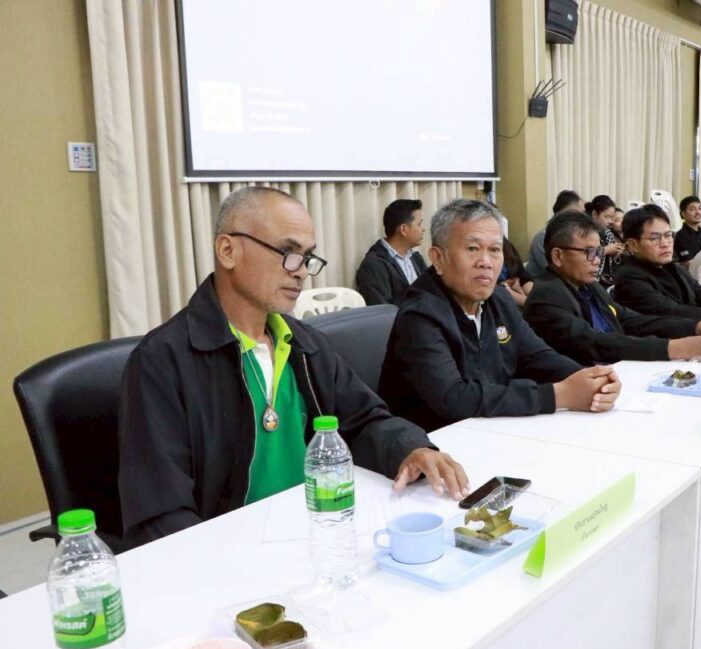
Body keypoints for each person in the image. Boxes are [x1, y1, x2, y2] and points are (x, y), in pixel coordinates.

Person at [118, 187, 468, 548]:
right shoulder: (162, 362)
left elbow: (364, 419)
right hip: (228, 553)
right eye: (288, 252)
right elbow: (161, 515)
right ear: (228, 250)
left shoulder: (303, 343)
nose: (301, 272)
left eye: (308, 257)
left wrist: (410, 448)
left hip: (313, 532)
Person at [378, 199, 621, 433]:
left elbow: (538, 356)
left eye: (495, 250)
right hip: (436, 443)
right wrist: (557, 395)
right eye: (472, 249)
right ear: (438, 258)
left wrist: (590, 378)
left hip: (494, 429)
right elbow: (453, 398)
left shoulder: (499, 299)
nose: (486, 262)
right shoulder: (420, 314)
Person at [524, 210, 701, 365]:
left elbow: (633, 320)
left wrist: (700, 327)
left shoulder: (589, 286)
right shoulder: (547, 296)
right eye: (589, 252)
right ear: (558, 256)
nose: (598, 260)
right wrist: (674, 348)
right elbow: (595, 342)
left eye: (599, 252)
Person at [355, 198, 429, 305]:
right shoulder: (373, 265)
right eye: (419, 224)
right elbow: (381, 309)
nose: (423, 229)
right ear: (403, 229)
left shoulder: (415, 258)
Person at [528, 190, 583, 277]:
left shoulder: (573, 235)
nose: (582, 218)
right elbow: (552, 271)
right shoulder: (543, 237)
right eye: (579, 214)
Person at [586, 195, 625, 287]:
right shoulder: (585, 231)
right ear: (595, 214)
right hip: (591, 280)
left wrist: (617, 252)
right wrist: (606, 250)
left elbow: (612, 261)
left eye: (612, 218)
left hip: (607, 280)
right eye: (607, 217)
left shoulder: (608, 232)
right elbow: (586, 256)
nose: (610, 221)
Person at [674, 196, 701, 263]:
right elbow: (688, 264)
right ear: (683, 214)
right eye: (692, 209)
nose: (698, 212)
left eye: (700, 208)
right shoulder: (681, 236)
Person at [500, 236, 533, 307]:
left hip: (517, 290)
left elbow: (523, 276)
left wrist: (534, 297)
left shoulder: (507, 246)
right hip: (504, 300)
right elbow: (499, 289)